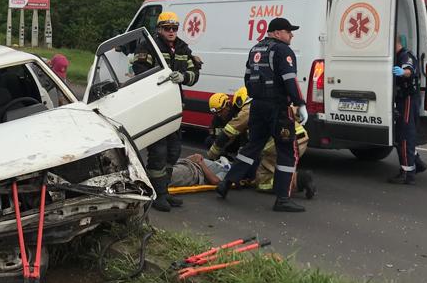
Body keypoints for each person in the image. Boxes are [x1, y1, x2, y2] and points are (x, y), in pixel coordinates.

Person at [216, 17, 309, 212]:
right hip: (278, 108)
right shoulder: (283, 50)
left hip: (257, 106)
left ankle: (226, 183)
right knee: (287, 150)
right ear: (276, 33)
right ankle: (282, 199)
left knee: (252, 147)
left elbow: (248, 78)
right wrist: (300, 103)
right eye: (288, 31)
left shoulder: (255, 49)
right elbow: (289, 80)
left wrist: (258, 96)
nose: (291, 35)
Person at [132, 11, 201, 212]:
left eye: (174, 28)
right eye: (167, 28)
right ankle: (156, 194)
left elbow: (194, 73)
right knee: (158, 153)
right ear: (159, 29)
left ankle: (165, 191)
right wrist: (161, 79)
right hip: (156, 106)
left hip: (174, 106)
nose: (171, 32)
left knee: (173, 151)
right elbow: (139, 70)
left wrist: (184, 77)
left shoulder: (182, 48)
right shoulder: (148, 46)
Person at [207, 87, 315, 198]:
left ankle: (301, 179)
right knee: (280, 168)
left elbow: (228, 132)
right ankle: (297, 181)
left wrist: (211, 154)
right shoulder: (270, 103)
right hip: (298, 137)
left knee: (263, 181)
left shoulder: (248, 110)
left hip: (283, 140)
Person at [388, 34, 427, 184]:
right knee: (401, 135)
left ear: (395, 43)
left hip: (408, 99)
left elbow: (409, 70)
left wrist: (402, 72)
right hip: (402, 99)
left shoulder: (405, 55)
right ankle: (416, 163)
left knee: (404, 134)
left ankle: (407, 173)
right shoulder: (397, 56)